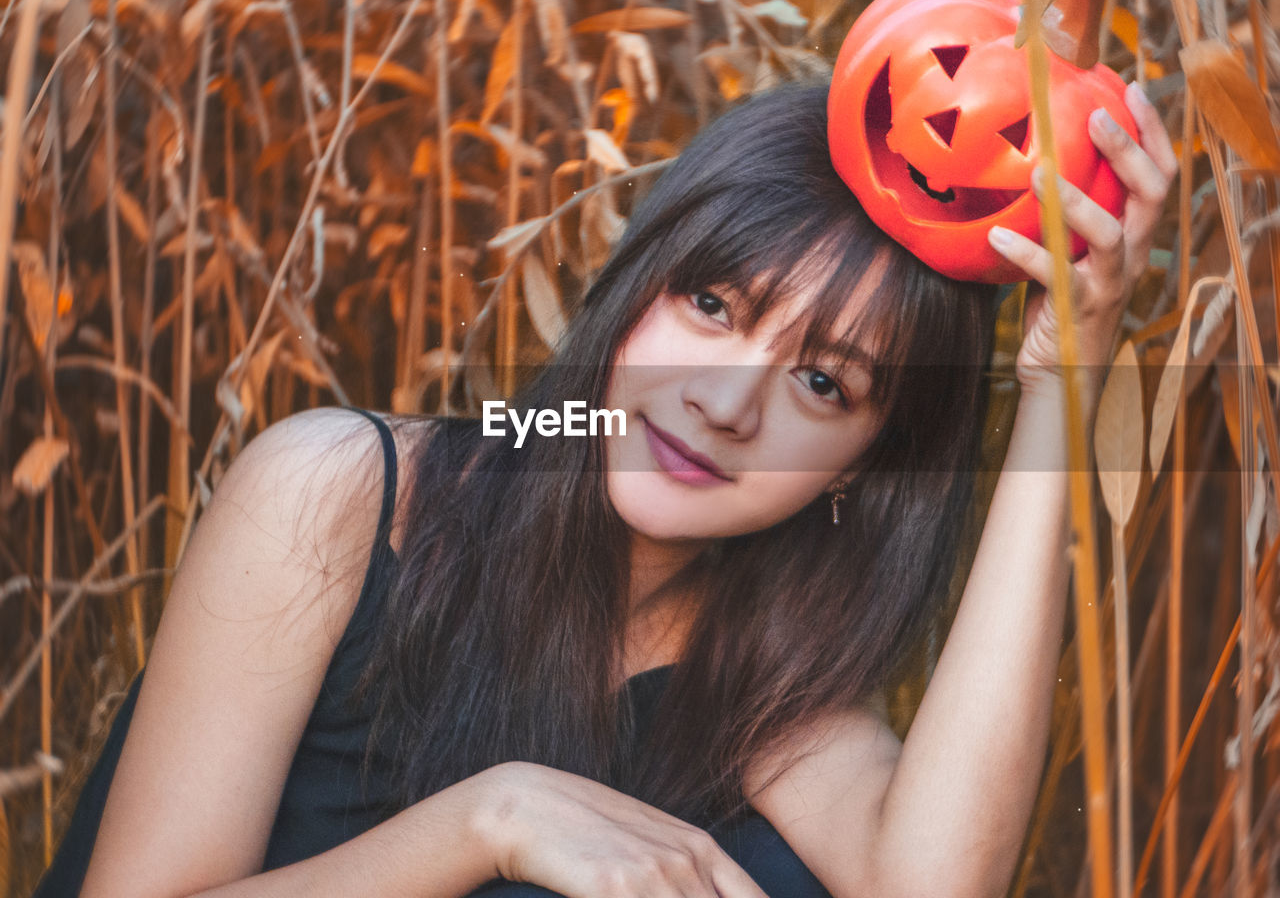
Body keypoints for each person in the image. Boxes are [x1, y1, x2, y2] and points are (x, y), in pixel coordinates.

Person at [34, 76, 1174, 898]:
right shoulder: (337, 495)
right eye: (712, 307)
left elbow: (935, 887)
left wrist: (1055, 387)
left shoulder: (775, 699)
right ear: (632, 290)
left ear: (864, 469)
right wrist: (494, 819)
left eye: (823, 384)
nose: (725, 404)